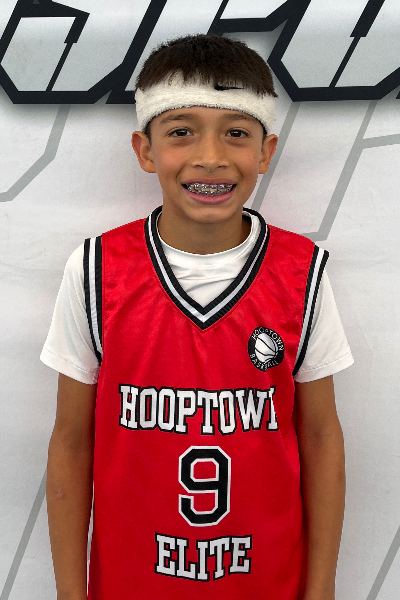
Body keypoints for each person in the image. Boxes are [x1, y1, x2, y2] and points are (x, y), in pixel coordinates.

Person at [42, 34, 353, 600]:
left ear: (265, 151)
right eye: (181, 131)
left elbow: (319, 435)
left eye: (236, 133)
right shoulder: (95, 269)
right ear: (145, 150)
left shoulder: (301, 271)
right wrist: (69, 592)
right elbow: (71, 443)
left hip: (267, 581)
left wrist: (322, 588)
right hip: (132, 583)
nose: (211, 156)